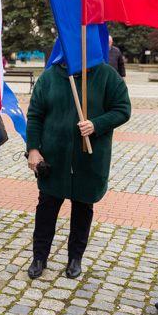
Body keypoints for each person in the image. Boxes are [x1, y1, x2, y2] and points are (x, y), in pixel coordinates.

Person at [25, 59, 130, 280]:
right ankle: (39, 256)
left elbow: (122, 109)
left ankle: (75, 258)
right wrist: (33, 149)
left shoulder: (107, 75)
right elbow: (35, 115)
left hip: (89, 158)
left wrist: (97, 124)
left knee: (83, 209)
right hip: (54, 158)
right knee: (46, 209)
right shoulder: (49, 76)